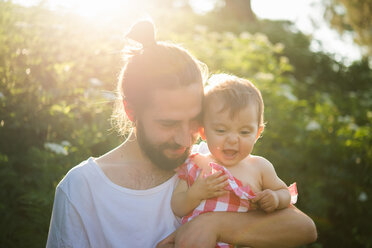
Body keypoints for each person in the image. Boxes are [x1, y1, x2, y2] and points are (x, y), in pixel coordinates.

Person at [47, 20, 317, 248]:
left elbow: (303, 228)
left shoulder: (211, 162)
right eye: (168, 123)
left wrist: (212, 225)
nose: (186, 139)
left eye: (194, 121)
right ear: (131, 111)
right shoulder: (81, 189)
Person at [171, 74, 298, 248]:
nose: (232, 140)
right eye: (221, 130)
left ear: (257, 133)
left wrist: (275, 198)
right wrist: (196, 193)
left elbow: (285, 193)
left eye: (244, 132)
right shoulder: (195, 164)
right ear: (203, 131)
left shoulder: (259, 167)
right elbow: (177, 206)